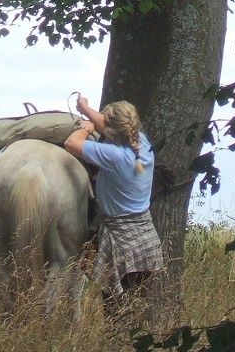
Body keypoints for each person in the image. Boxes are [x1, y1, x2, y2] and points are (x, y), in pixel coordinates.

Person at [64, 95, 164, 321]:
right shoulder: (142, 144)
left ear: (111, 132)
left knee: (115, 310)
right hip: (145, 240)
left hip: (122, 242)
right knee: (136, 304)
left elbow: (71, 143)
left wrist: (85, 128)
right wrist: (86, 109)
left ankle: (115, 347)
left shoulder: (115, 156)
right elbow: (108, 126)